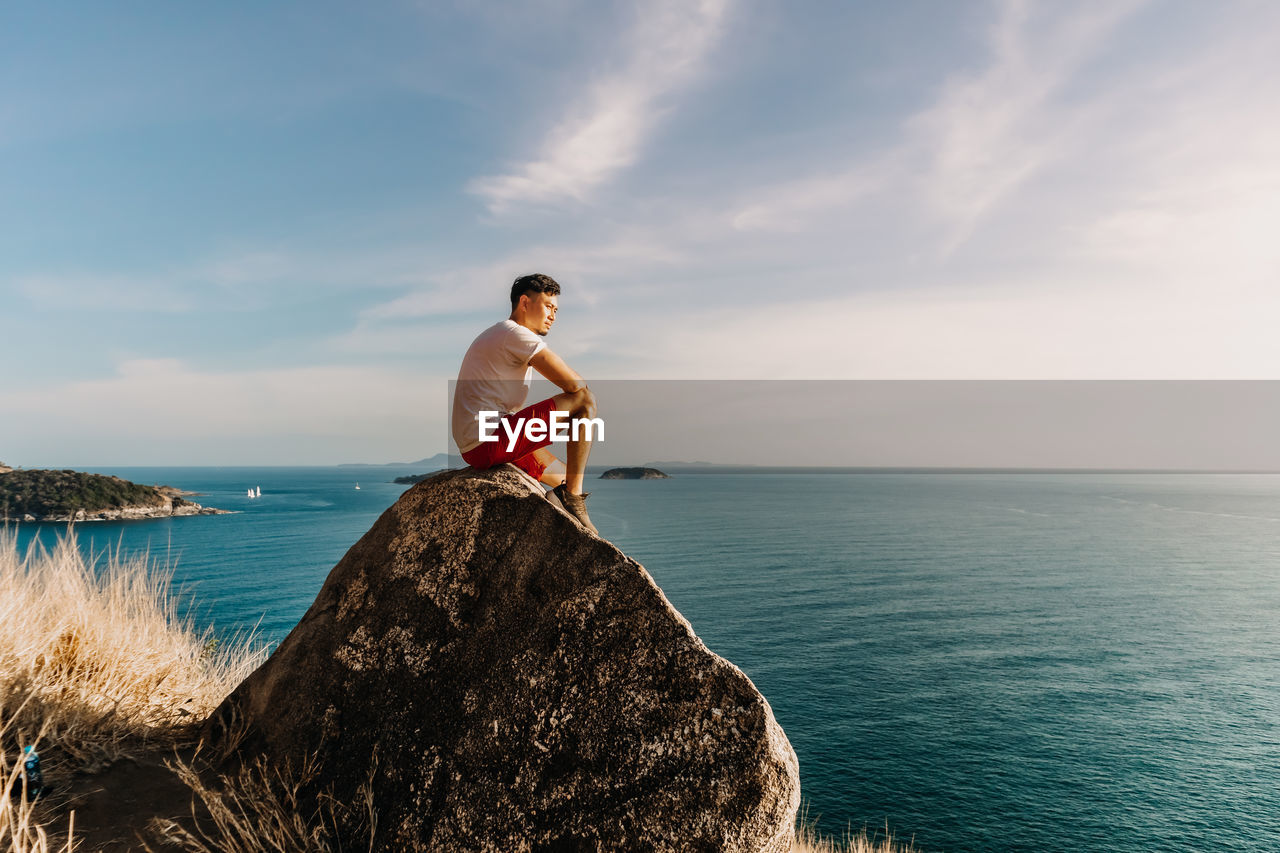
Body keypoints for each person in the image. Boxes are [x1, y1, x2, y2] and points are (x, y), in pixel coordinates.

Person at [451, 273, 600, 535]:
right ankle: (571, 500)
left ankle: (565, 497)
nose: (553, 315)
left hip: (483, 439)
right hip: (489, 439)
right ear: (525, 302)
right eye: (548, 307)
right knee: (584, 402)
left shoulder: (499, 333)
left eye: (556, 309)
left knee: (567, 477)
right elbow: (575, 387)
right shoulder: (515, 334)